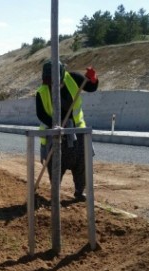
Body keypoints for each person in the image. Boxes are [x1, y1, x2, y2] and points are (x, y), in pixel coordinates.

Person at [36, 60, 98, 201]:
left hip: (78, 132)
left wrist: (94, 79)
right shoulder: (42, 92)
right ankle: (55, 193)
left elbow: (90, 87)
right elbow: (41, 114)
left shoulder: (73, 79)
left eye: (54, 80)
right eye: (49, 81)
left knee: (81, 163)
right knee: (55, 166)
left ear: (61, 74)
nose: (52, 83)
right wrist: (55, 124)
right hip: (56, 135)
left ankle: (79, 192)